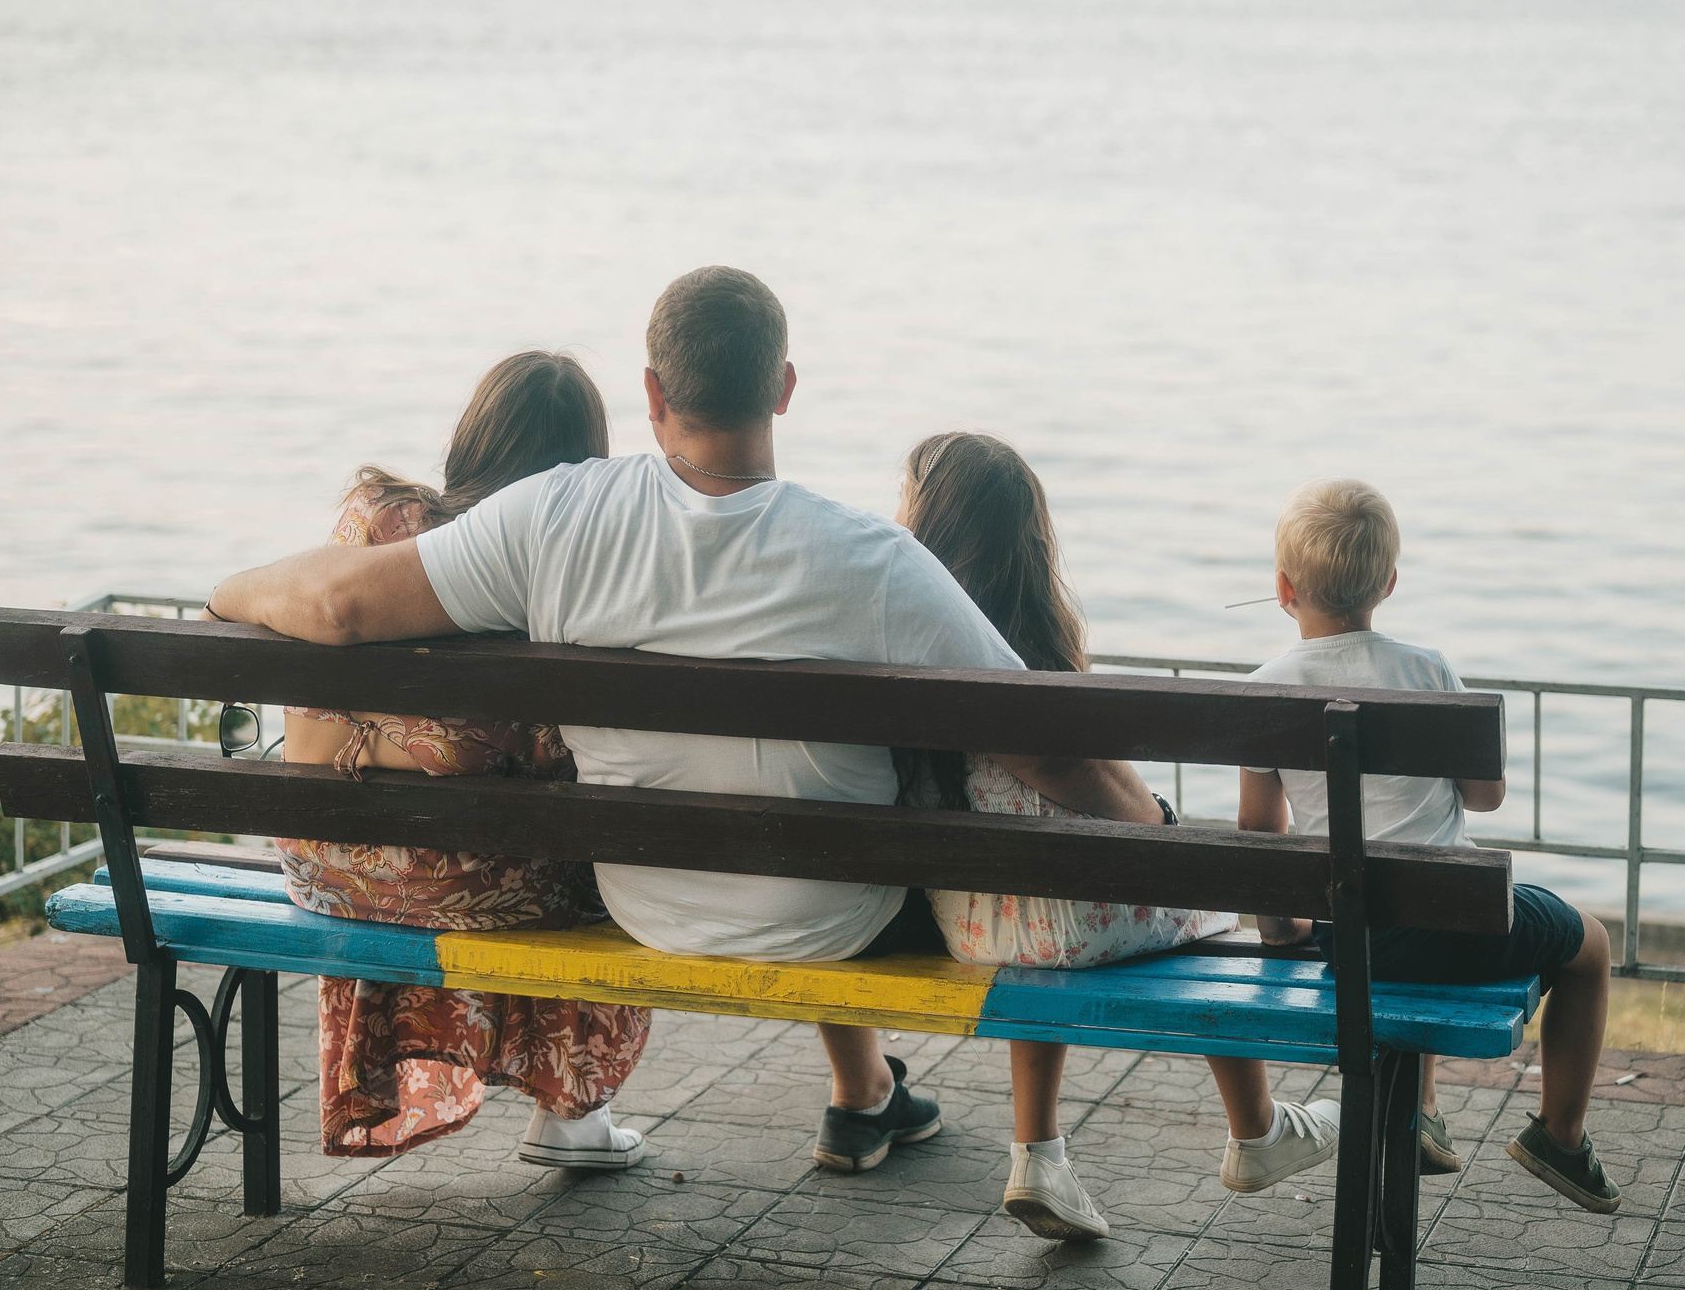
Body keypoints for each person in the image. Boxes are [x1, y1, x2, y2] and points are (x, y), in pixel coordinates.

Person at [211, 267, 1107, 1174]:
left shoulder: (552, 515)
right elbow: (1045, 744)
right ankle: (877, 1093)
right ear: (786, 387)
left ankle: (869, 1091)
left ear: (650, 392)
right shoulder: (875, 557)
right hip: (833, 920)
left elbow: (340, 607)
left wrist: (224, 592)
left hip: (645, 902)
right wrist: (1150, 827)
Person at [897, 432, 1343, 1242]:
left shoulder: (904, 637)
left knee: (1044, 925)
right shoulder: (1020, 655)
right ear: (1027, 544)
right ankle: (1258, 1129)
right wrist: (1163, 830)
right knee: (1207, 914)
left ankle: (1040, 1155)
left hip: (969, 922)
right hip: (1067, 921)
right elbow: (1072, 767)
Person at [269, 351, 653, 1170]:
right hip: (513, 884)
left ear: (470, 437)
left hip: (337, 869)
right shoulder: (582, 559)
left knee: (523, 835)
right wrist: (464, 752)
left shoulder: (381, 520)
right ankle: (573, 1114)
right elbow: (537, 752)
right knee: (586, 859)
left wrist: (373, 737)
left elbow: (310, 739)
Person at [1241, 478, 1619, 1214]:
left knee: (1397, 914)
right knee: (1593, 945)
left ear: (1285, 588)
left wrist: (1283, 929)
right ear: (1386, 583)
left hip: (1347, 937)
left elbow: (1261, 831)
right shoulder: (1429, 671)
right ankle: (1562, 1135)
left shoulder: (1264, 689)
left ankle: (1421, 1116)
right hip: (1453, 927)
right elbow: (1484, 797)